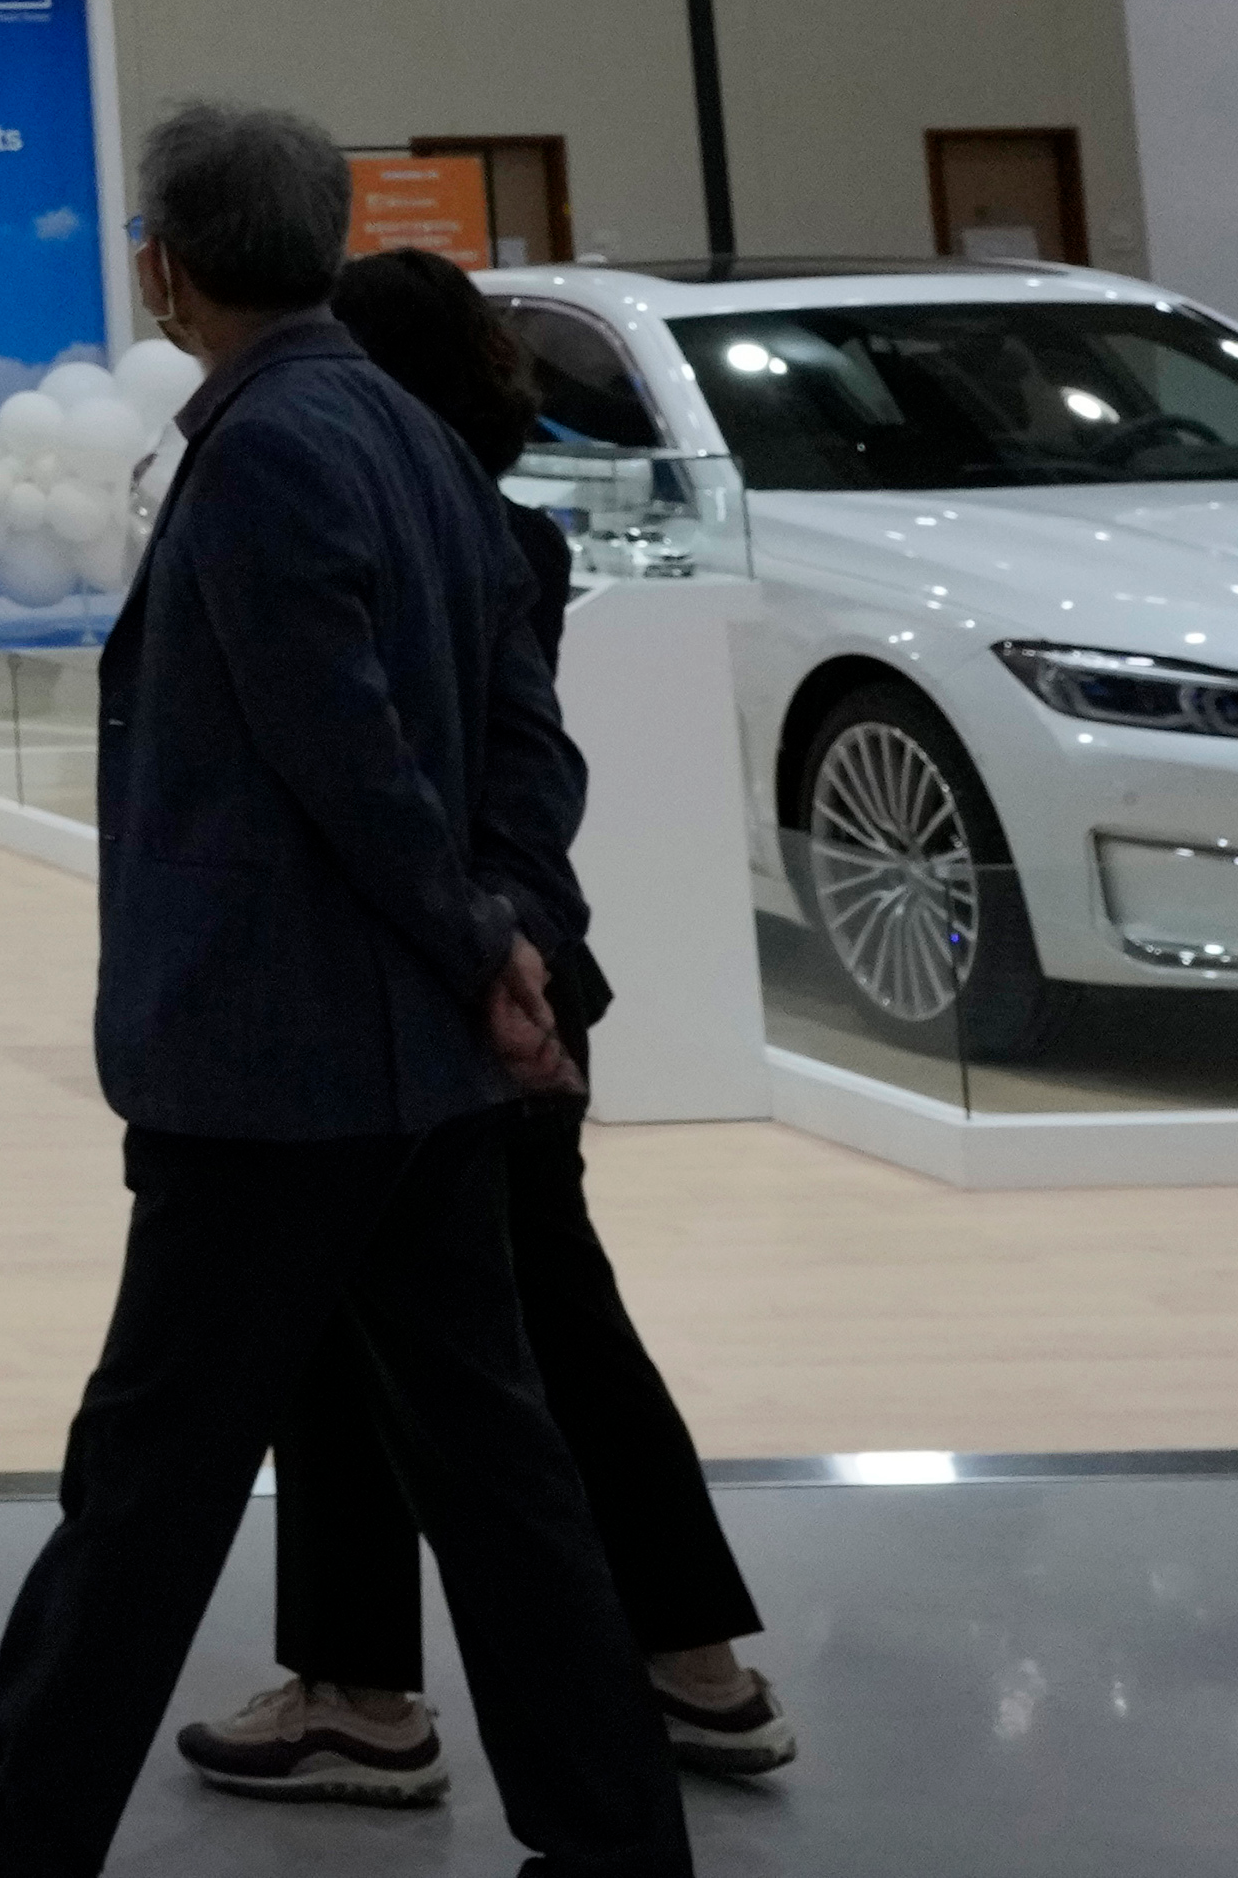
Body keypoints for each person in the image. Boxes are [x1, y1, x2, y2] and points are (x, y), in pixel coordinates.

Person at [0, 105, 680, 1878]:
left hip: (282, 1062)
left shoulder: (271, 444)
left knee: (151, 1467)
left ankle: (18, 1840)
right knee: (496, 1473)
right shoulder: (405, 431)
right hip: (414, 1065)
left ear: (163, 264)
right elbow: (518, 732)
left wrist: (479, 939)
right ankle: (613, 1841)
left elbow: (341, 755)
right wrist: (515, 930)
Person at [185, 250, 791, 1810]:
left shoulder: (357, 520)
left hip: (405, 984)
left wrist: (469, 946)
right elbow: (524, 777)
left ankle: (362, 1692)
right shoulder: (504, 531)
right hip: (513, 967)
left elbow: (361, 775)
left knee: (380, 1339)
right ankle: (683, 1661)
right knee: (548, 1323)